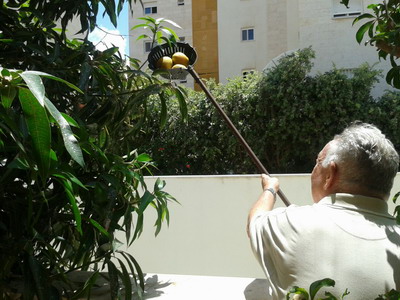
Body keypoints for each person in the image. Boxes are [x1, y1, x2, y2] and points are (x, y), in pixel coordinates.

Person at [247, 122, 400, 299]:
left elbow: (255, 220)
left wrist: (270, 189)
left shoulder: (293, 223)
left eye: (318, 162)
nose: (314, 170)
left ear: (330, 174)